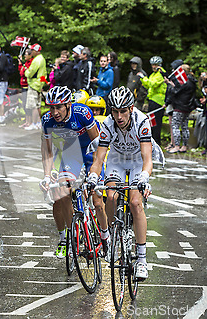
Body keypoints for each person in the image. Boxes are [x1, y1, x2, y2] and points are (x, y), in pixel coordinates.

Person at [87, 87, 152, 280]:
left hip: (137, 160)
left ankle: (141, 260)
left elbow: (147, 158)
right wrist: (93, 177)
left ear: (131, 108)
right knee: (112, 196)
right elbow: (99, 159)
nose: (119, 116)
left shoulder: (142, 121)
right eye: (115, 111)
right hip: (116, 159)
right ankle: (113, 236)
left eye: (123, 111)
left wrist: (144, 177)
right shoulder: (107, 124)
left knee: (135, 203)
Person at [39, 86, 107, 258]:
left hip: (90, 152)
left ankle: (105, 238)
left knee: (97, 200)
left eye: (59, 107)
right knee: (63, 192)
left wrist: (93, 171)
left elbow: (97, 143)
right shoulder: (47, 120)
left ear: (69, 104)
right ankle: (72, 237)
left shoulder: (82, 113)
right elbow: (47, 152)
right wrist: (47, 176)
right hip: (70, 154)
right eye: (51, 107)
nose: (55, 112)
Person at [164, 64, 197, 153]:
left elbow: (176, 91)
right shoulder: (192, 81)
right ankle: (184, 146)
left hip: (179, 106)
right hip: (188, 106)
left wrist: (169, 85)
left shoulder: (185, 82)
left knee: (175, 125)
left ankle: (177, 146)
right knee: (185, 126)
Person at [140, 56, 166, 145]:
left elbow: (152, 84)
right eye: (152, 65)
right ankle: (152, 141)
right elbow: (148, 85)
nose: (153, 67)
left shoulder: (160, 74)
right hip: (152, 100)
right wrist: (143, 80)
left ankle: (157, 142)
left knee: (156, 123)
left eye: (155, 65)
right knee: (151, 122)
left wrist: (144, 77)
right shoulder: (153, 74)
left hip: (158, 101)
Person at [24, 43, 47, 130]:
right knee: (38, 106)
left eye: (32, 50)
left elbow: (30, 73)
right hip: (38, 85)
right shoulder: (42, 59)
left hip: (34, 85)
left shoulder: (37, 60)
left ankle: (34, 123)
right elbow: (43, 74)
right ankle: (38, 123)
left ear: (36, 51)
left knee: (33, 106)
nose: (31, 52)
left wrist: (26, 71)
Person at [18, 48, 33, 128]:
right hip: (23, 86)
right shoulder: (26, 63)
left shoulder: (31, 63)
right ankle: (27, 121)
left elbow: (24, 73)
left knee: (28, 105)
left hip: (28, 86)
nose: (24, 56)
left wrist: (23, 68)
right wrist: (20, 63)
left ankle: (30, 121)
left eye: (26, 54)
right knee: (24, 104)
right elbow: (20, 72)